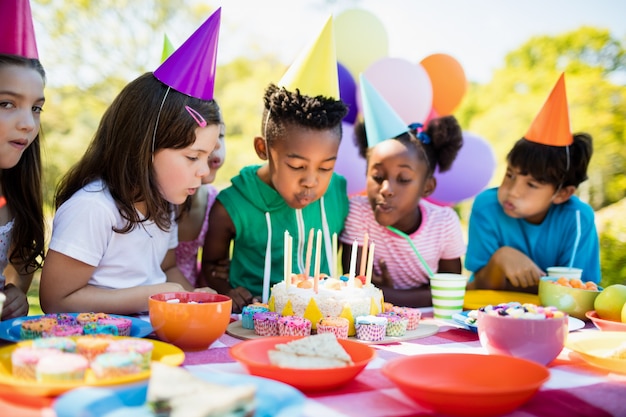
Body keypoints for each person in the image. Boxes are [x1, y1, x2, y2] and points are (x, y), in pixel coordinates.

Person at [39, 9, 223, 314]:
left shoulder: (165, 205)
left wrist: (193, 299)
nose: (204, 172)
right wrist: (151, 296)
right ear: (144, 147)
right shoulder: (94, 209)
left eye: (207, 156)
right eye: (193, 157)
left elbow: (167, 268)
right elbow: (56, 301)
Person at [201, 17, 349, 313]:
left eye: (325, 167)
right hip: (254, 327)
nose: (311, 181)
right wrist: (228, 292)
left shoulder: (339, 194)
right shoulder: (232, 206)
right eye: (297, 166)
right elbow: (211, 269)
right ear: (262, 149)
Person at [465, 73, 601, 292]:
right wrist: (500, 259)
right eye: (510, 174)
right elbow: (477, 288)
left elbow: (577, 293)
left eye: (532, 185)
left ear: (562, 194)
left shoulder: (577, 218)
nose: (512, 191)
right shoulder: (486, 206)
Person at [340, 75, 466, 307]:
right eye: (377, 177)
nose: (386, 189)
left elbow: (450, 295)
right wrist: (422, 293)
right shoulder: (359, 213)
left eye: (404, 179)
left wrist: (382, 293)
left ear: (427, 187)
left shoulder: (444, 223)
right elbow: (355, 291)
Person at [0, 0, 46, 320]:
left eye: (36, 108)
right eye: (7, 104)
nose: (28, 124)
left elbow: (19, 269)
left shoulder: (15, 190)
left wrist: (15, 294)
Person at [176, 111, 226, 287]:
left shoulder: (215, 203)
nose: (217, 145)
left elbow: (213, 265)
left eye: (221, 135)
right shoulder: (160, 201)